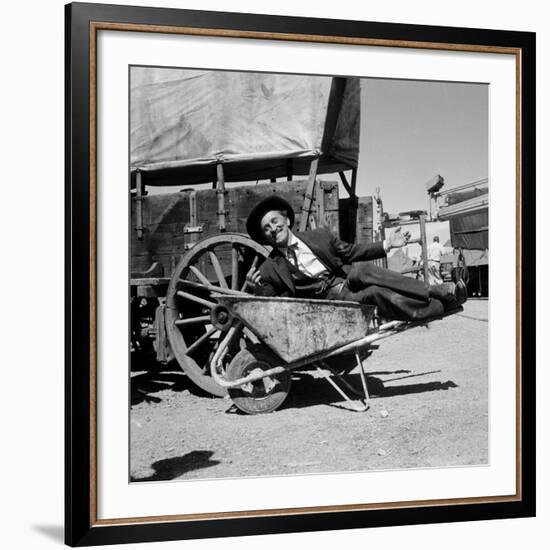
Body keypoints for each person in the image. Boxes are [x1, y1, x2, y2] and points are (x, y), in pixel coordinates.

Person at [245, 196, 466, 322]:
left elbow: (351, 252)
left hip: (346, 281)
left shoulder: (319, 237)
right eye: (267, 229)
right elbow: (272, 303)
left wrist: (388, 244)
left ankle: (433, 290)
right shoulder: (268, 269)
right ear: (265, 237)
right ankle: (441, 306)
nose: (273, 229)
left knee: (362, 270)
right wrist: (257, 290)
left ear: (286, 219)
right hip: (331, 304)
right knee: (376, 294)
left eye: (275, 221)